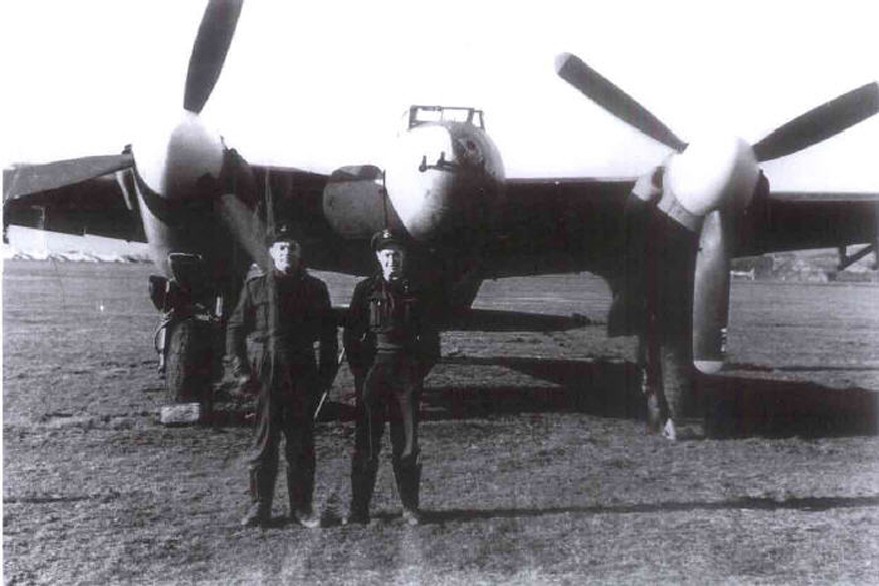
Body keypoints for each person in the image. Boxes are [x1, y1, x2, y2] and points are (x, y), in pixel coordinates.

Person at [225, 226, 338, 528]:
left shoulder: (316, 288)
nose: (287, 252)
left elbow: (328, 337)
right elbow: (235, 329)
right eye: (282, 247)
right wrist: (241, 371)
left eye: (292, 247)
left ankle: (301, 508)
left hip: (302, 369)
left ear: (300, 253)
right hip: (266, 371)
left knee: (301, 444)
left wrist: (325, 378)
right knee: (264, 443)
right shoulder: (256, 287)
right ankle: (258, 508)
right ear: (272, 253)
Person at [342, 229, 440, 526]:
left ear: (404, 257)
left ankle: (410, 507)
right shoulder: (365, 290)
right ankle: (359, 509)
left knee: (407, 443)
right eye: (387, 254)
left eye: (397, 254)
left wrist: (415, 373)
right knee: (367, 443)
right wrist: (362, 372)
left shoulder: (419, 290)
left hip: (406, 375)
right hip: (374, 372)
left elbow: (431, 342)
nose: (392, 259)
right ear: (378, 258)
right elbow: (351, 334)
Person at [607, 166, 699, 440]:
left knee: (657, 362)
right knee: (663, 359)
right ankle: (669, 420)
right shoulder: (646, 216)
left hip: (654, 305)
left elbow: (633, 212)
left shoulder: (640, 215)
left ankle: (664, 418)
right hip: (657, 305)